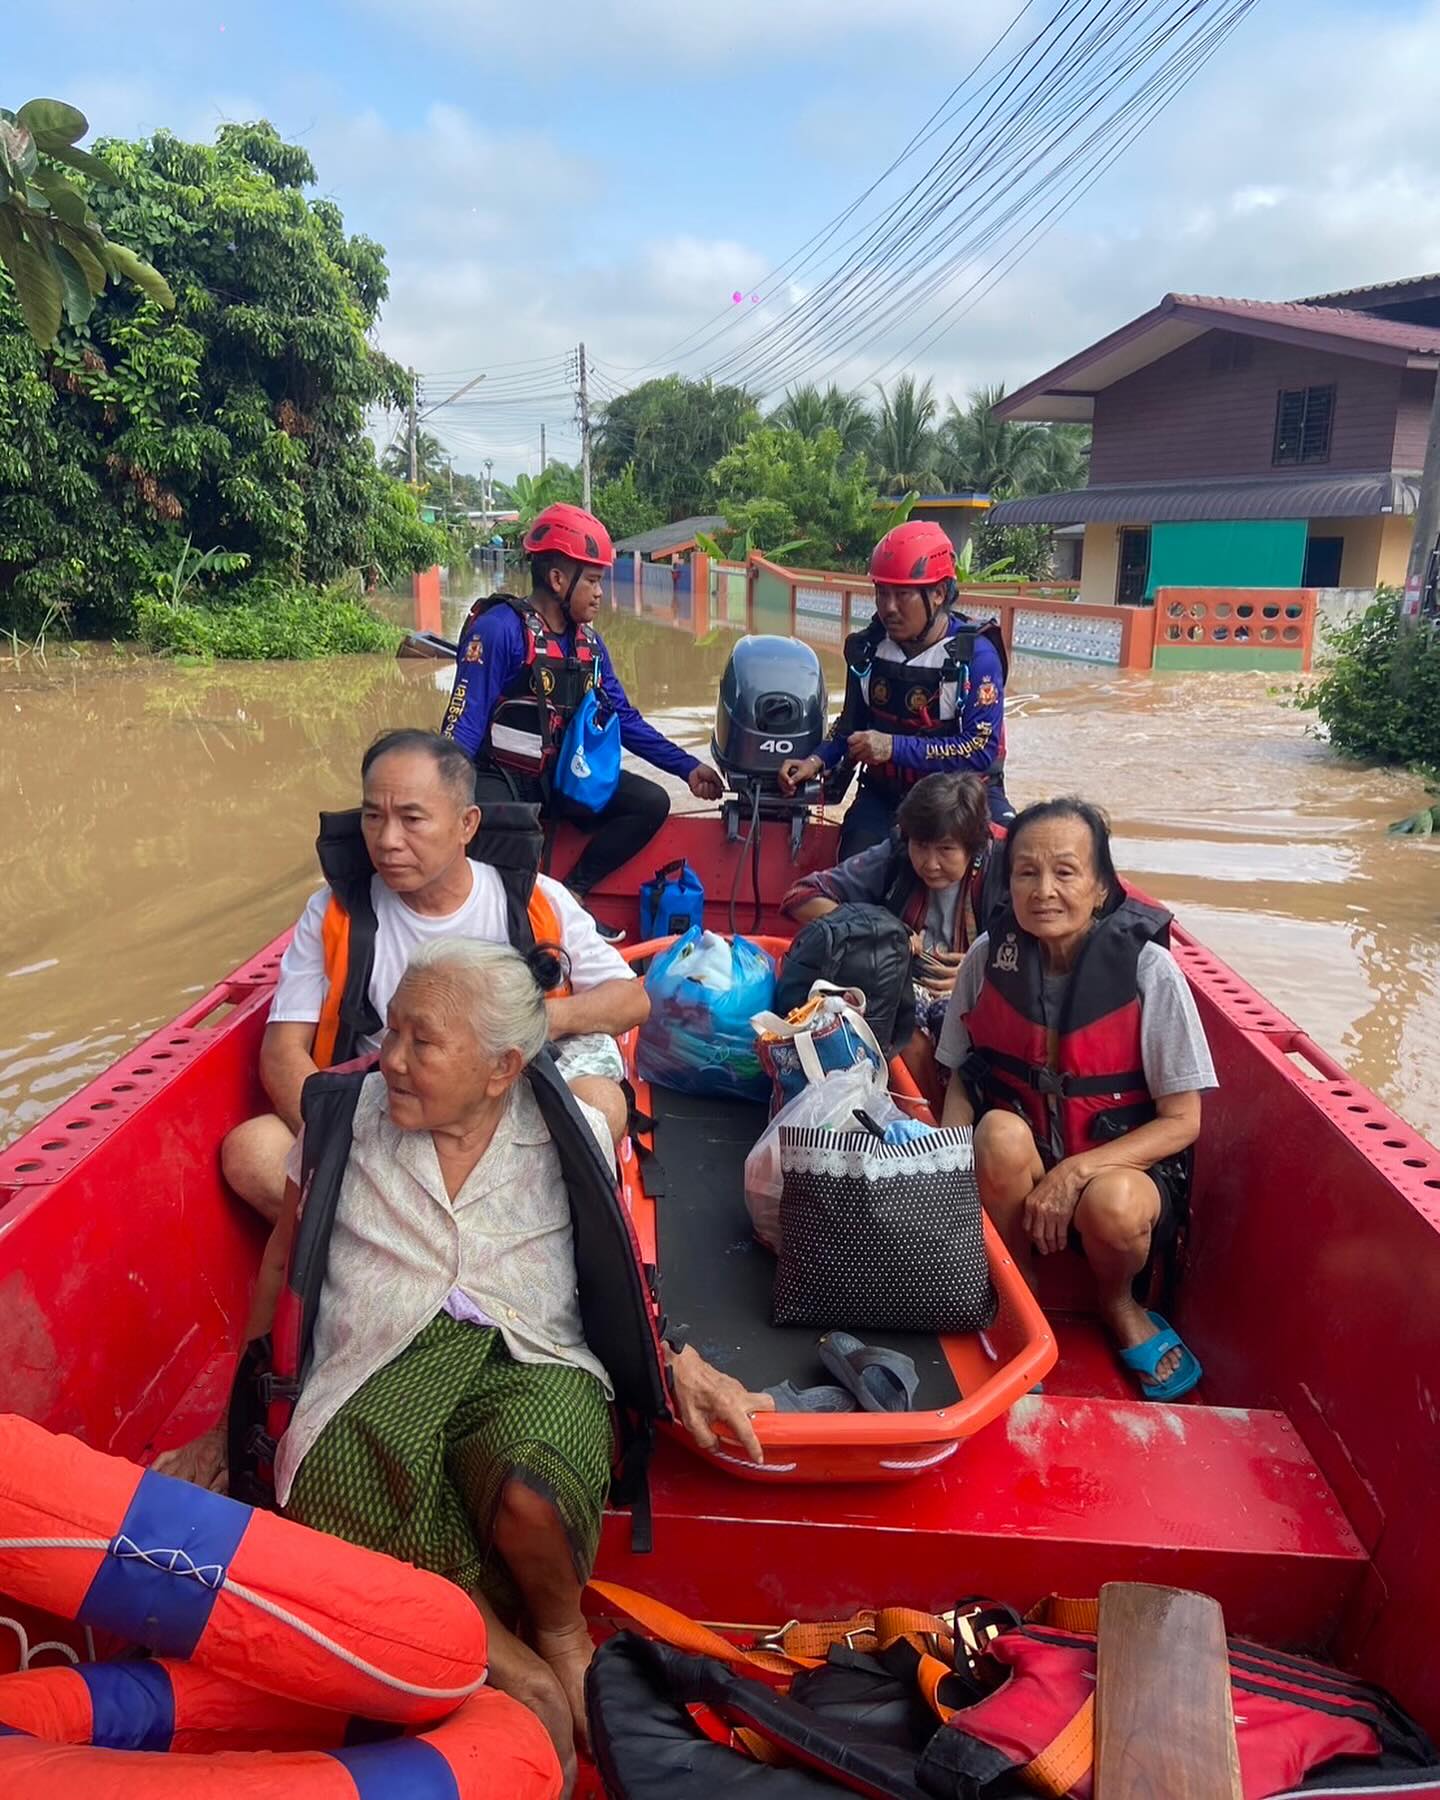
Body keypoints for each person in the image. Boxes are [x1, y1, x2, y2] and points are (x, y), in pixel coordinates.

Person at [159, 939, 775, 1790]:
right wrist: (231, 1421)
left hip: (531, 1345)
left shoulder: (568, 1127)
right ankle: (517, 1664)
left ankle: (561, 1628)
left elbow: (618, 1274)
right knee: (327, 1473)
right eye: (393, 1033)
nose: (393, 1060)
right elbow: (282, 1262)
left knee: (533, 1481)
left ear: (501, 1070)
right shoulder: (343, 1115)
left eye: (422, 1042)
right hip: (379, 1351)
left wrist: (677, 1362)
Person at [221, 729, 647, 1225]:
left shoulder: (533, 899)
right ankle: (381, 1241)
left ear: (467, 823)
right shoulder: (334, 914)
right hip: (384, 1112)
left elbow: (633, 1001)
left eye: (411, 819)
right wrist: (346, 1140)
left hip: (508, 1113)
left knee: (600, 1103)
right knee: (253, 1150)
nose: (386, 840)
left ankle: (513, 1232)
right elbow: (282, 1053)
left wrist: (542, 1019)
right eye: (373, 816)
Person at [937, 797, 1215, 1400]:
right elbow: (960, 1071)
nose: (1044, 891)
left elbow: (1184, 1120)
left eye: (1065, 872)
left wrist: (1076, 1172)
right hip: (1021, 1158)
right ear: (1007, 885)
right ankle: (1019, 1294)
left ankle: (1116, 1302)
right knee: (994, 1136)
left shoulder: (1150, 971)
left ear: (1100, 888)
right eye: (1026, 872)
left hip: (1117, 1166)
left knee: (1113, 1204)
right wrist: (945, 1172)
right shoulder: (989, 956)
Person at [441, 503, 724, 940]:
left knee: (650, 803)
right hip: (501, 778)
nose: (599, 593)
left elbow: (624, 719)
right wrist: (436, 805)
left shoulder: (589, 645)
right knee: (511, 830)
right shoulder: (499, 630)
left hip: (558, 780)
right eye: (592, 580)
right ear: (558, 579)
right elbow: (461, 728)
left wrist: (688, 768)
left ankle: (573, 892)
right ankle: (524, 925)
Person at [777, 520, 1012, 858]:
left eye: (902, 594)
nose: (888, 607)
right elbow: (851, 725)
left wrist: (893, 747)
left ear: (938, 594)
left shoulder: (976, 657)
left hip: (960, 796)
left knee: (1007, 858)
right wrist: (815, 760)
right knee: (855, 862)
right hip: (884, 794)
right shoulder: (866, 649)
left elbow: (978, 749)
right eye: (881, 592)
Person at [781, 772, 1003, 1099]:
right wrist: (882, 928)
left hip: (985, 994)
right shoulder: (895, 855)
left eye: (946, 849)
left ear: (973, 846)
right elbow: (801, 895)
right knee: (905, 1033)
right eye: (921, 846)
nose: (930, 863)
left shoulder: (1008, 866)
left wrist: (982, 972)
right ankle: (927, 1120)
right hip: (904, 992)